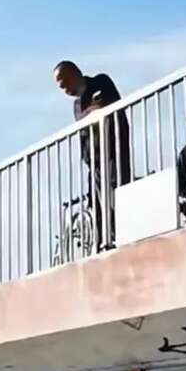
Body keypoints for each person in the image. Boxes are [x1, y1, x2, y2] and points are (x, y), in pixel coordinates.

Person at [54, 61, 131, 249]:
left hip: (114, 154)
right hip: (94, 163)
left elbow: (110, 109)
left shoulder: (101, 82)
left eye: (64, 84)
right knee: (96, 206)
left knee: (117, 198)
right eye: (61, 88)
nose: (65, 90)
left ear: (74, 74)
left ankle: (121, 240)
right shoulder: (76, 105)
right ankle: (101, 244)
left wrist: (93, 113)